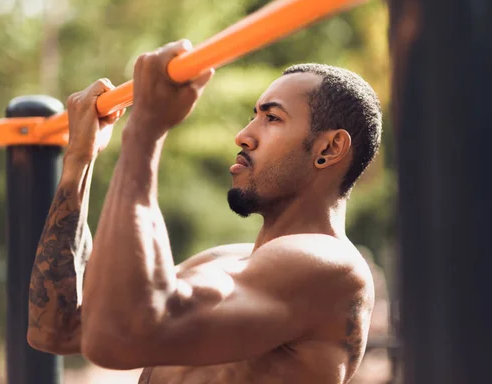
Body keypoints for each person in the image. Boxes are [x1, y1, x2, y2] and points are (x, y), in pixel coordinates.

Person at [27, 39, 382, 384]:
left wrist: (145, 131)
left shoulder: (330, 266)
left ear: (329, 148)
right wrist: (78, 162)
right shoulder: (225, 262)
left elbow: (121, 336)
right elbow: (56, 330)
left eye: (272, 118)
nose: (243, 135)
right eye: (253, 116)